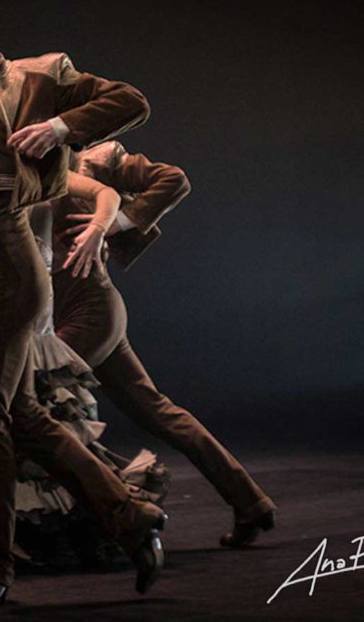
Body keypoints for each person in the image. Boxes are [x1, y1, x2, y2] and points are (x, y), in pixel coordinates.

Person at [0, 0, 166, 608]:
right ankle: (132, 520)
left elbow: (131, 100)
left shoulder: (36, 75)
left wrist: (59, 127)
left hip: (11, 258)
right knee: (21, 416)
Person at [53, 140, 276, 547]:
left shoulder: (95, 156)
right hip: (80, 311)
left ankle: (125, 515)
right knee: (158, 412)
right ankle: (250, 502)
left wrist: (115, 223)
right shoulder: (14, 152)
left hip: (89, 310)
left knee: (24, 406)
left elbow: (172, 180)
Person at [0, 200, 170, 568]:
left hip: (18, 303)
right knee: (21, 420)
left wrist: (101, 227)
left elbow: (109, 190)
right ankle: (126, 515)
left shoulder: (25, 166)